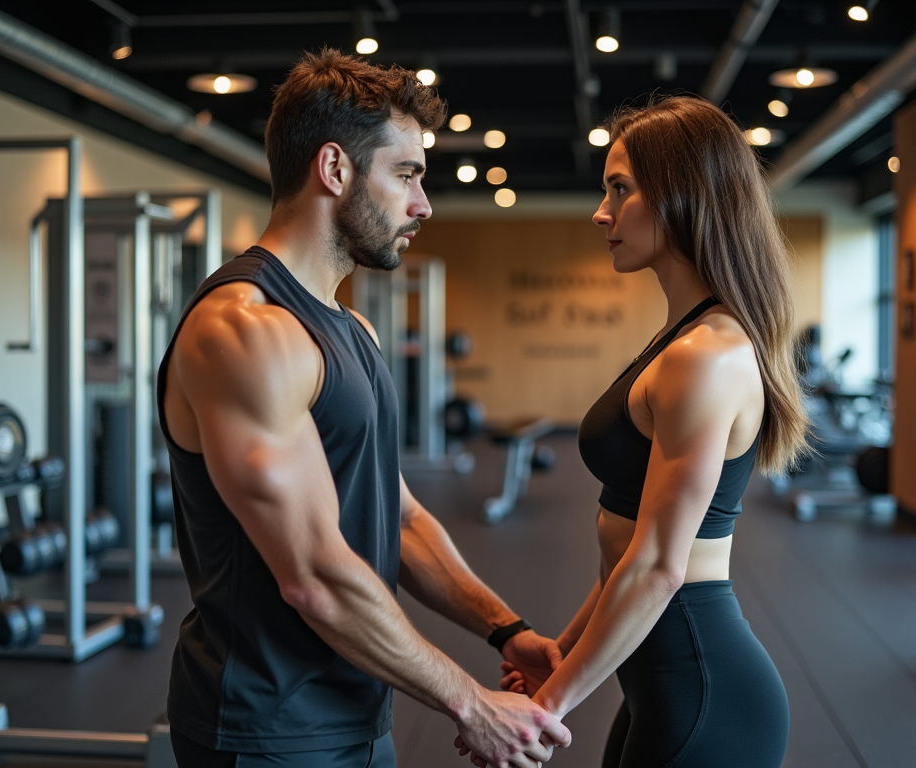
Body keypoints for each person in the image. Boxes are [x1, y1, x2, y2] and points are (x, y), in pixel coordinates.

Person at [157, 48, 570, 768]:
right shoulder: (245, 330)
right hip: (266, 732)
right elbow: (313, 575)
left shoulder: (354, 328)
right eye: (406, 175)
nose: (423, 204)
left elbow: (399, 516)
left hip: (362, 708)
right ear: (335, 169)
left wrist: (507, 632)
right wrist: (471, 702)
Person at [495, 96, 809, 768]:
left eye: (619, 189)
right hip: (659, 682)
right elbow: (627, 556)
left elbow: (661, 566)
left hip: (704, 689)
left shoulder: (706, 355)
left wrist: (541, 713)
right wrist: (559, 656)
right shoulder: (684, 338)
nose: (600, 212)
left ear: (682, 196)